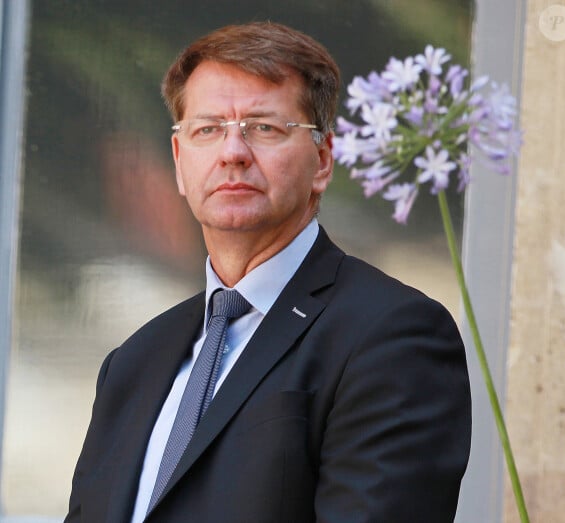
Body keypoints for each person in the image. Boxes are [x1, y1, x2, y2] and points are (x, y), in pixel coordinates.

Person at [65, 21, 471, 523]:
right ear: (178, 160)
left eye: (264, 127)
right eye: (208, 129)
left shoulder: (392, 336)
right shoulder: (133, 363)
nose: (232, 153)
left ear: (323, 160)